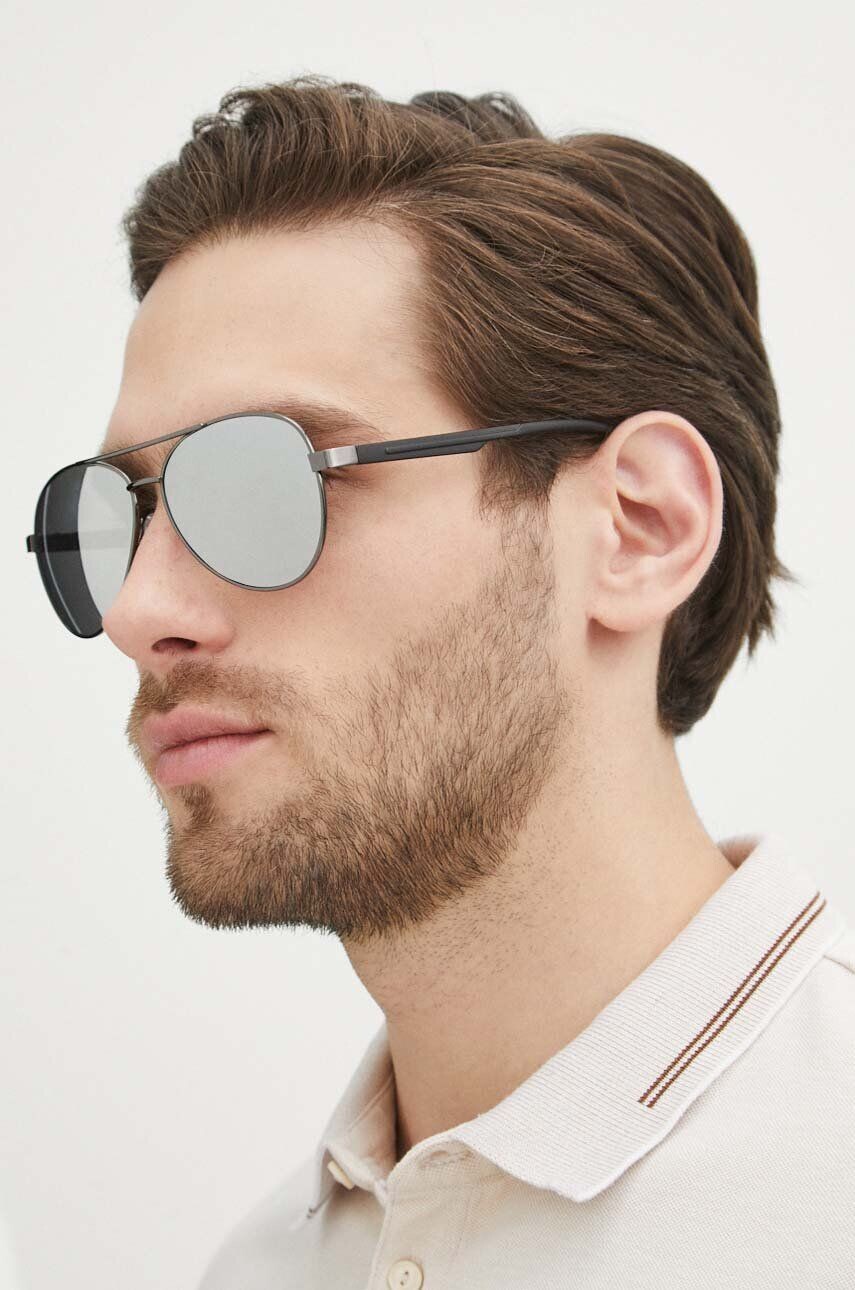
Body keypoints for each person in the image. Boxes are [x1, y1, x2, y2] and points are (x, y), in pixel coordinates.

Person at [27, 76, 854, 1287]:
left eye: (265, 482)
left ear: (639, 528)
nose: (139, 612)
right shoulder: (260, 1270)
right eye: (125, 513)